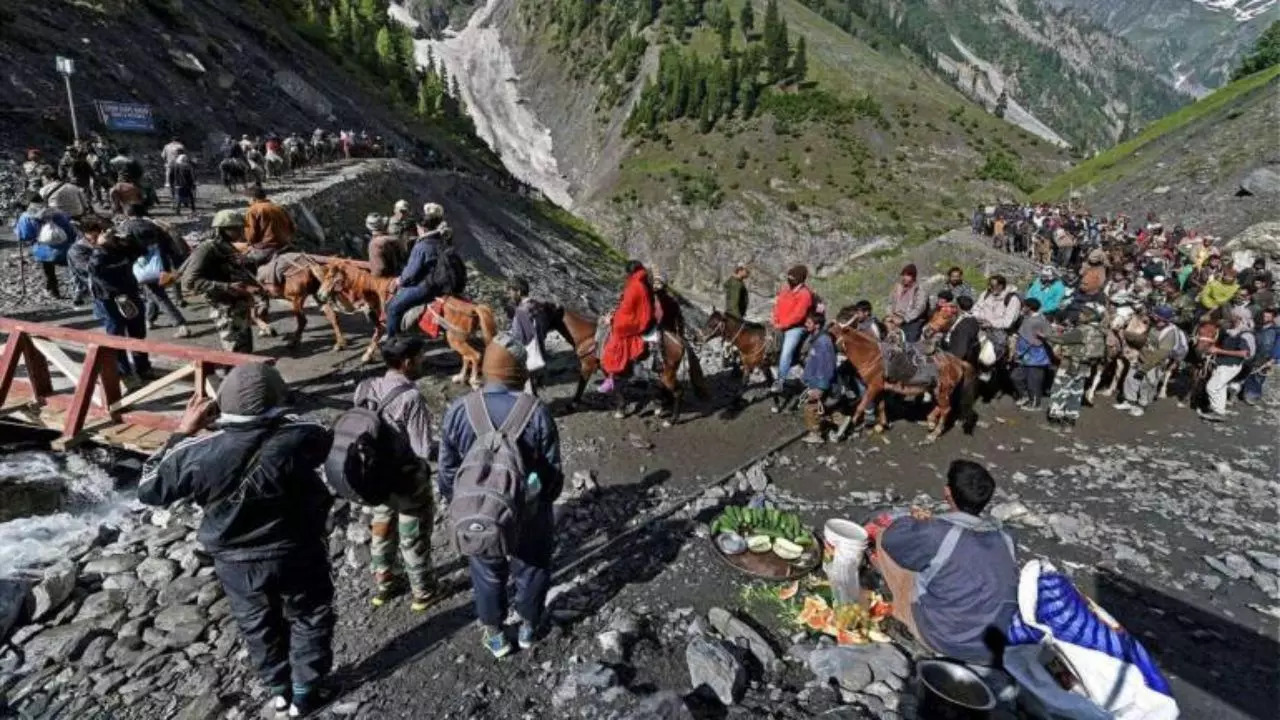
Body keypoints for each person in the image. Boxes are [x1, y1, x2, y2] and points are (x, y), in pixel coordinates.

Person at [138, 363, 338, 717]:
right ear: (278, 399)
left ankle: (279, 691)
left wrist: (182, 432)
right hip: (297, 546)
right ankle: (307, 690)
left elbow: (149, 489)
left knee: (256, 623)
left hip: (235, 559)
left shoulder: (195, 452)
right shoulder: (303, 434)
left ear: (221, 403)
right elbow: (326, 439)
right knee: (310, 615)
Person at [437, 335, 563, 658]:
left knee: (486, 568)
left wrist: (464, 501)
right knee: (533, 565)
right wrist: (542, 499)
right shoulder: (536, 412)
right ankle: (528, 626)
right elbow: (552, 476)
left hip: (481, 511)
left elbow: (447, 471)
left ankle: (494, 633)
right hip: (528, 510)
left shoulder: (459, 410)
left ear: (488, 369)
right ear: (519, 371)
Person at [873, 460, 1017, 663]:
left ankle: (901, 614)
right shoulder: (1007, 538)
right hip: (992, 647)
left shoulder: (938, 532)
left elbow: (892, 538)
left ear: (947, 493)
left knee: (883, 537)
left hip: (943, 639)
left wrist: (916, 521)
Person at [352, 336, 442, 610]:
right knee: (412, 533)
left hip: (375, 476)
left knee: (381, 528)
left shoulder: (366, 386)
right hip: (406, 480)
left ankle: (385, 585)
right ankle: (423, 593)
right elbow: (423, 449)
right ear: (407, 363)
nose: (423, 361)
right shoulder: (411, 397)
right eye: (420, 357)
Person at [68, 217, 151, 385]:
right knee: (116, 335)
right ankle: (124, 373)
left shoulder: (115, 243)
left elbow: (142, 252)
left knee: (138, 331)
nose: (100, 236)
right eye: (94, 234)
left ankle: (143, 368)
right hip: (106, 297)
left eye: (102, 232)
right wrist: (100, 247)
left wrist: (128, 241)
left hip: (129, 292)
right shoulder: (78, 250)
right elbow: (92, 270)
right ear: (85, 234)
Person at [183, 210, 258, 353]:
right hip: (225, 308)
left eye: (241, 228)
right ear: (222, 229)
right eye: (236, 228)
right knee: (233, 349)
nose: (241, 231)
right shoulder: (207, 249)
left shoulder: (227, 247)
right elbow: (190, 281)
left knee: (245, 348)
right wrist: (227, 286)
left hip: (239, 307)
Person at [120, 204, 190, 337]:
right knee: (153, 292)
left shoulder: (125, 227)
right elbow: (169, 243)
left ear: (127, 213)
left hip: (143, 266)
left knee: (158, 295)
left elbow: (124, 248)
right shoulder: (153, 225)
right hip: (161, 264)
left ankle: (181, 324)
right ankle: (149, 319)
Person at [385, 204, 450, 338]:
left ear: (422, 228)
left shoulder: (422, 246)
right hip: (441, 283)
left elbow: (410, 274)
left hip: (425, 287)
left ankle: (393, 340)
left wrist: (399, 280)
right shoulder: (442, 240)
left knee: (392, 308)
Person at [1043, 305, 1106, 425]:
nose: (1079, 315)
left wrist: (1045, 336)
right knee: (1076, 392)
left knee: (1060, 389)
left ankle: (1055, 416)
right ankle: (1071, 418)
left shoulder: (1081, 330)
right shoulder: (1098, 330)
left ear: (1089, 316)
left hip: (1070, 364)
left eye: (1083, 314)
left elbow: (1061, 339)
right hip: (1085, 366)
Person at [600, 261, 655, 394]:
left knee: (612, 339)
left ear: (630, 272)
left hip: (633, 322)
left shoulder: (635, 286)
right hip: (639, 319)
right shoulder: (642, 283)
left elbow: (626, 309)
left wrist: (612, 319)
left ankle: (612, 375)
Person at [1114, 306, 1180, 417]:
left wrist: (1145, 368)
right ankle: (1129, 401)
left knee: (1147, 385)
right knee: (1131, 379)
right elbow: (1143, 339)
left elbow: (1161, 354)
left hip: (1154, 364)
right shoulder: (1153, 327)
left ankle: (1141, 406)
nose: (1154, 319)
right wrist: (1125, 333)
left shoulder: (1169, 333)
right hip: (1142, 358)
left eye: (1157, 318)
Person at [12, 191, 76, 299]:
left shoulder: (26, 217)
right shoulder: (56, 212)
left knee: (48, 270)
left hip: (43, 250)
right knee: (71, 268)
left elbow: (25, 236)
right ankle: (78, 291)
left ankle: (53, 291)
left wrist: (15, 226)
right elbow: (70, 231)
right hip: (65, 248)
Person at [1200, 307, 1255, 422]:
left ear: (1238, 318)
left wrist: (1219, 351)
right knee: (1220, 387)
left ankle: (1218, 411)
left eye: (1233, 315)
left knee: (1212, 387)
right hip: (1223, 363)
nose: (1230, 317)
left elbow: (1244, 353)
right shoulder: (1232, 331)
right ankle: (1219, 411)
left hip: (1230, 365)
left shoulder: (1245, 334)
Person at [801, 312, 848, 444]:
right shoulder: (817, 339)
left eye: (809, 323)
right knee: (822, 406)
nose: (806, 325)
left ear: (817, 325)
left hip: (821, 382)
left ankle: (816, 434)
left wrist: (820, 386)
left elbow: (826, 366)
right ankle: (841, 420)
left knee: (811, 406)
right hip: (816, 380)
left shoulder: (823, 342)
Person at [771, 265, 815, 393]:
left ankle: (780, 381)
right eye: (788, 277)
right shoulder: (785, 289)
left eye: (792, 278)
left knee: (786, 352)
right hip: (779, 324)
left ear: (800, 279)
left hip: (796, 327)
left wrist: (783, 325)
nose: (789, 280)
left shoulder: (805, 294)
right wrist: (774, 318)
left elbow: (798, 315)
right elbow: (778, 304)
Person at [1011, 298, 1051, 410]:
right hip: (1026, 357)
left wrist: (1018, 353)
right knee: (1016, 377)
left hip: (1035, 358)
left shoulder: (1036, 321)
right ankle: (1024, 396)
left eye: (1024, 306)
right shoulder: (1032, 318)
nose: (1023, 308)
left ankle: (1035, 404)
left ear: (1029, 308)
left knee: (1033, 382)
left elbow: (1028, 340)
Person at [972, 275, 1021, 361]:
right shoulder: (986, 294)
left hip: (1001, 331)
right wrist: (980, 318)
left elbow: (1008, 322)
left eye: (992, 285)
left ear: (1001, 286)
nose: (990, 288)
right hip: (981, 327)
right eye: (989, 285)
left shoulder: (1012, 299)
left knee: (997, 347)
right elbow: (976, 309)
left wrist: (990, 323)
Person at [243, 186, 296, 265]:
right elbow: (293, 228)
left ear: (253, 199)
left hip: (267, 248)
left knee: (239, 261)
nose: (248, 203)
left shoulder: (253, 210)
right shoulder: (279, 207)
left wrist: (250, 244)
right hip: (285, 245)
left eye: (248, 200)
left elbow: (251, 236)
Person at [1241, 307, 1277, 405]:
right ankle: (1245, 392)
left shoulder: (1275, 331)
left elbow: (1278, 345)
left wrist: (1273, 359)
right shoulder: (1258, 328)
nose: (1265, 318)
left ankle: (1253, 395)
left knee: (1259, 376)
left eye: (1268, 316)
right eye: (1264, 316)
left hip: (1265, 357)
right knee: (1249, 373)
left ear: (1273, 318)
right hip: (1254, 355)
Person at [889, 264, 927, 343]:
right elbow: (890, 303)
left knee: (909, 343)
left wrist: (904, 319)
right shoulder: (898, 288)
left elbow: (919, 308)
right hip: (895, 317)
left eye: (908, 275)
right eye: (903, 275)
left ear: (913, 277)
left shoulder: (919, 290)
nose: (904, 277)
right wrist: (891, 315)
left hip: (912, 321)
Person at [943, 295, 980, 367]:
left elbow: (960, 350)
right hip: (949, 344)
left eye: (955, 305)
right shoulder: (969, 318)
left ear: (959, 307)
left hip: (951, 352)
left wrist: (949, 361)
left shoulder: (964, 327)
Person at [365, 213, 403, 278]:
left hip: (387, 281)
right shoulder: (394, 239)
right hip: (399, 274)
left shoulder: (375, 244)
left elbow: (380, 268)